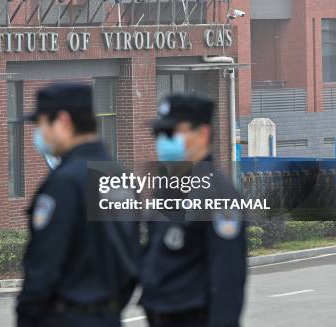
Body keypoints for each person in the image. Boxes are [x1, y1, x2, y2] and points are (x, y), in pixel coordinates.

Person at [17, 82, 140, 327]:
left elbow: (43, 268)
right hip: (108, 317)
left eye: (41, 124)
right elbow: (130, 260)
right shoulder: (119, 176)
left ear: (63, 122)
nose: (39, 133)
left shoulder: (65, 183)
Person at [140, 94, 247, 327]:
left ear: (202, 134)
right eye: (158, 134)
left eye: (170, 133)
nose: (162, 141)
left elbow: (226, 280)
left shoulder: (217, 194)